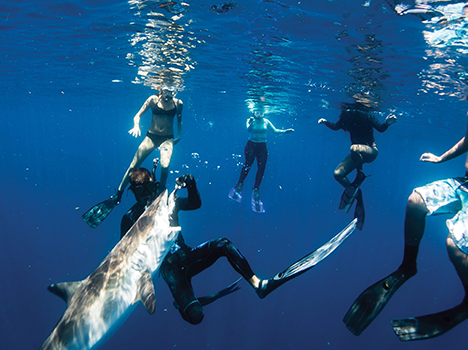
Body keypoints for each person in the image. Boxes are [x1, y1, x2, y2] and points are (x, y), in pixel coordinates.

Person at [343, 92, 468, 341]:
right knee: (416, 200)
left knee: (455, 245)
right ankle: (407, 266)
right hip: (466, 183)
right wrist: (441, 158)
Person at [123, 168, 358, 324]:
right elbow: (126, 260)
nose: (145, 195)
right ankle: (183, 303)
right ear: (132, 192)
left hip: (189, 256)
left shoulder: (167, 204)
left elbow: (195, 203)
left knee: (223, 244)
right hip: (171, 272)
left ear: (154, 185)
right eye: (139, 191)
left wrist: (192, 184)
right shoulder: (130, 218)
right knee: (196, 317)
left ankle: (258, 284)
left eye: (148, 189)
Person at [82, 85, 183, 228]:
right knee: (133, 166)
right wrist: (136, 126)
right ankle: (118, 194)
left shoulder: (179, 104)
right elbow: (138, 115)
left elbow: (179, 120)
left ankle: (160, 193)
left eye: (173, 91)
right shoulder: (153, 100)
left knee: (165, 167)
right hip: (151, 137)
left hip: (167, 138)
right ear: (161, 89)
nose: (170, 94)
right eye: (167, 91)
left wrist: (178, 136)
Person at [318, 102, 397, 229]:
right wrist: (325, 122)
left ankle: (359, 175)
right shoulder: (347, 118)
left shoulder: (366, 115)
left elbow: (380, 128)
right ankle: (357, 194)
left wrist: (388, 122)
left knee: (354, 148)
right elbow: (335, 126)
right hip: (356, 155)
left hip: (371, 151)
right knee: (337, 174)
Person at [228, 111, 294, 213]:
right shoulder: (250, 120)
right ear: (253, 112)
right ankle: (240, 183)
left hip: (262, 147)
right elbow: (248, 129)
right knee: (248, 165)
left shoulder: (266, 121)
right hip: (251, 146)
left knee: (262, 168)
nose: (259, 113)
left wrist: (285, 131)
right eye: (257, 112)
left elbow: (275, 131)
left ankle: (256, 188)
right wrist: (250, 123)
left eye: (261, 112)